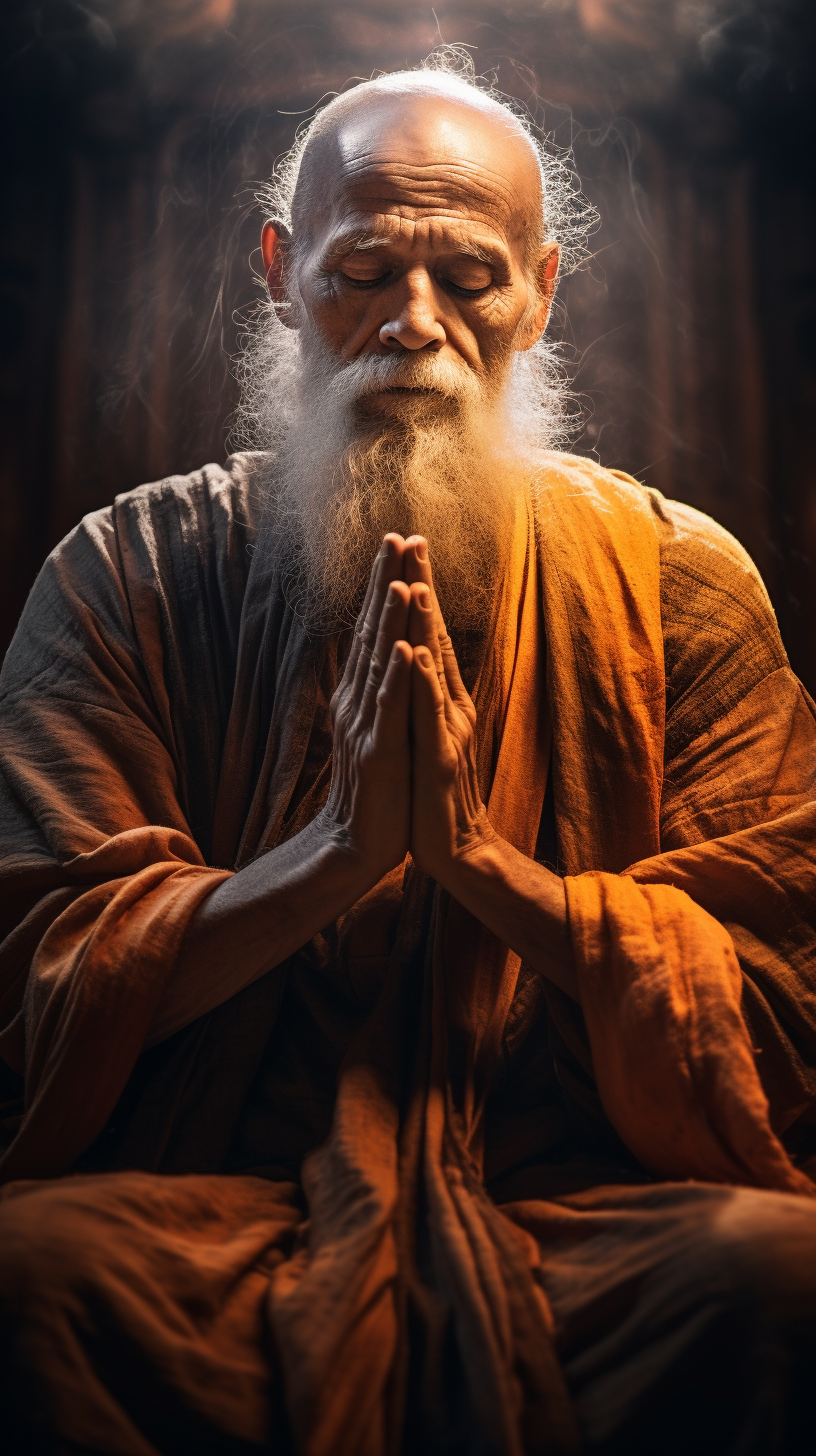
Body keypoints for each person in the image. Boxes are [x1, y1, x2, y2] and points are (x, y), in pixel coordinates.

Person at [0, 56, 815, 1456]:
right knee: (28, 1280)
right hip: (214, 1207)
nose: (414, 323)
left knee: (777, 1275)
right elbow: (39, 966)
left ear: (542, 290)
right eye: (365, 266)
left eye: (470, 276)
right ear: (280, 269)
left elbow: (777, 986)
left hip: (581, 1213)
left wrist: (484, 871)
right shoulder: (122, 575)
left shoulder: (682, 579)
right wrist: (332, 863)